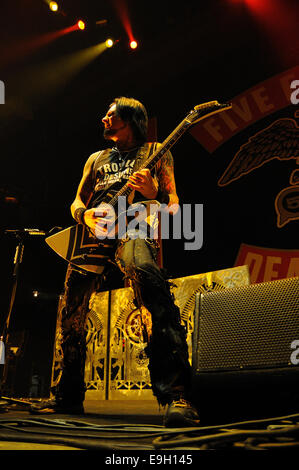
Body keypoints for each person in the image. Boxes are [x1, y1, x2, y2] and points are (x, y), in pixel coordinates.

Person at [30, 97, 200, 427]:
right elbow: (77, 200)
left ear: (130, 119)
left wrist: (155, 194)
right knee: (71, 311)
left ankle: (176, 394)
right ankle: (68, 397)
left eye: (111, 115)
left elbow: (175, 206)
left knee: (147, 279)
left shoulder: (156, 152)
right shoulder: (96, 158)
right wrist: (84, 213)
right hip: (93, 235)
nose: (104, 119)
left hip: (135, 226)